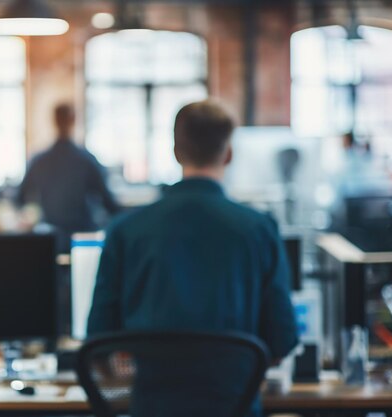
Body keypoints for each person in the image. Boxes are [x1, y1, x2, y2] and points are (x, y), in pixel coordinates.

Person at [87, 100, 298, 417]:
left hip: (153, 407)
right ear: (228, 153)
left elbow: (98, 341)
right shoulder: (259, 229)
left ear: (175, 151)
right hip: (233, 406)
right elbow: (281, 342)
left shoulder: (125, 231)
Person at [18, 103, 119, 251]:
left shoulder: (39, 161)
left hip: (51, 240)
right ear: (74, 121)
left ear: (54, 120)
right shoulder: (86, 160)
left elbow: (20, 198)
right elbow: (108, 203)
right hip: (83, 240)